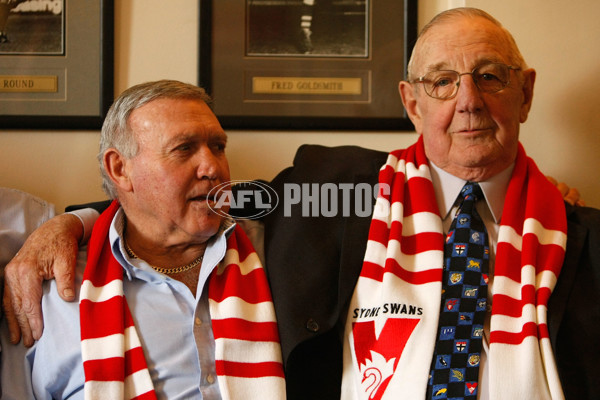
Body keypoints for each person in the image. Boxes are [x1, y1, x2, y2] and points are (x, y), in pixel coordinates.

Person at [4, 7, 598, 400]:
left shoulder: (577, 236)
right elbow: (168, 210)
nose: (467, 101)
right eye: (442, 81)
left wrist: (557, 209)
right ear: (412, 103)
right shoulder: (342, 192)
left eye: (491, 76)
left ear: (525, 92)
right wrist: (71, 222)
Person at [0, 80, 286, 399]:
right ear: (120, 168)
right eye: (184, 148)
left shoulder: (276, 252)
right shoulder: (51, 293)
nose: (212, 167)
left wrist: (75, 220)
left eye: (218, 147)